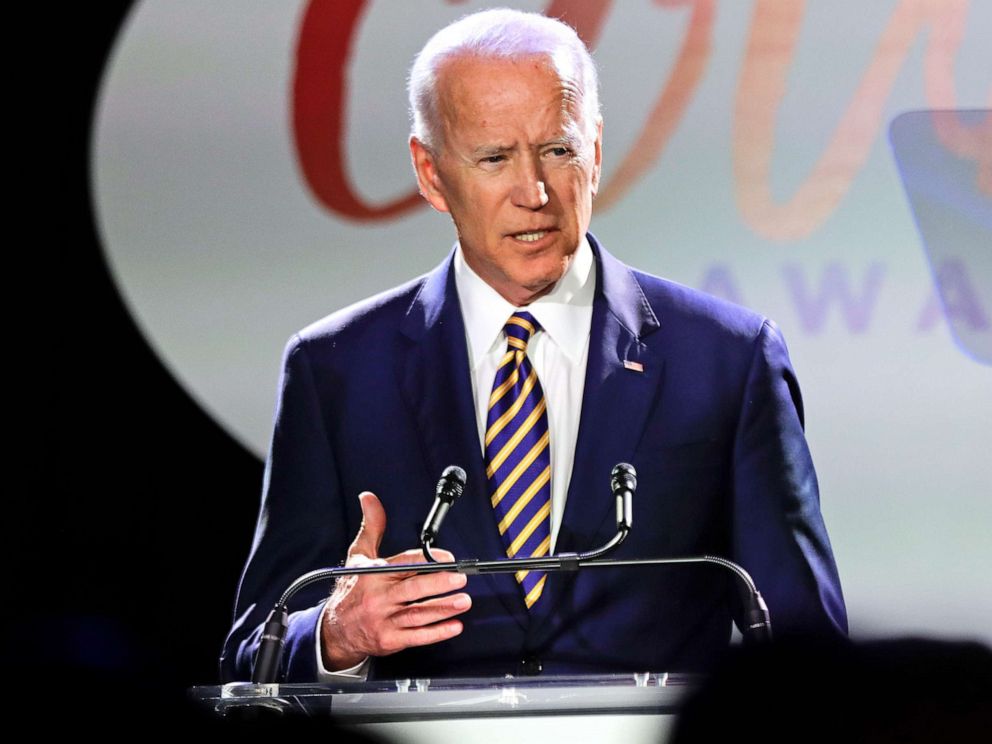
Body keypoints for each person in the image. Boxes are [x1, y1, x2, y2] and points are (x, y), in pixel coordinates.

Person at [220, 8, 847, 683]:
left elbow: (806, 647)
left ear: (596, 151)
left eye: (558, 150)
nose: (535, 193)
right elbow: (255, 649)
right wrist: (338, 634)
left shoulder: (727, 361)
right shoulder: (336, 372)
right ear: (430, 174)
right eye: (494, 158)